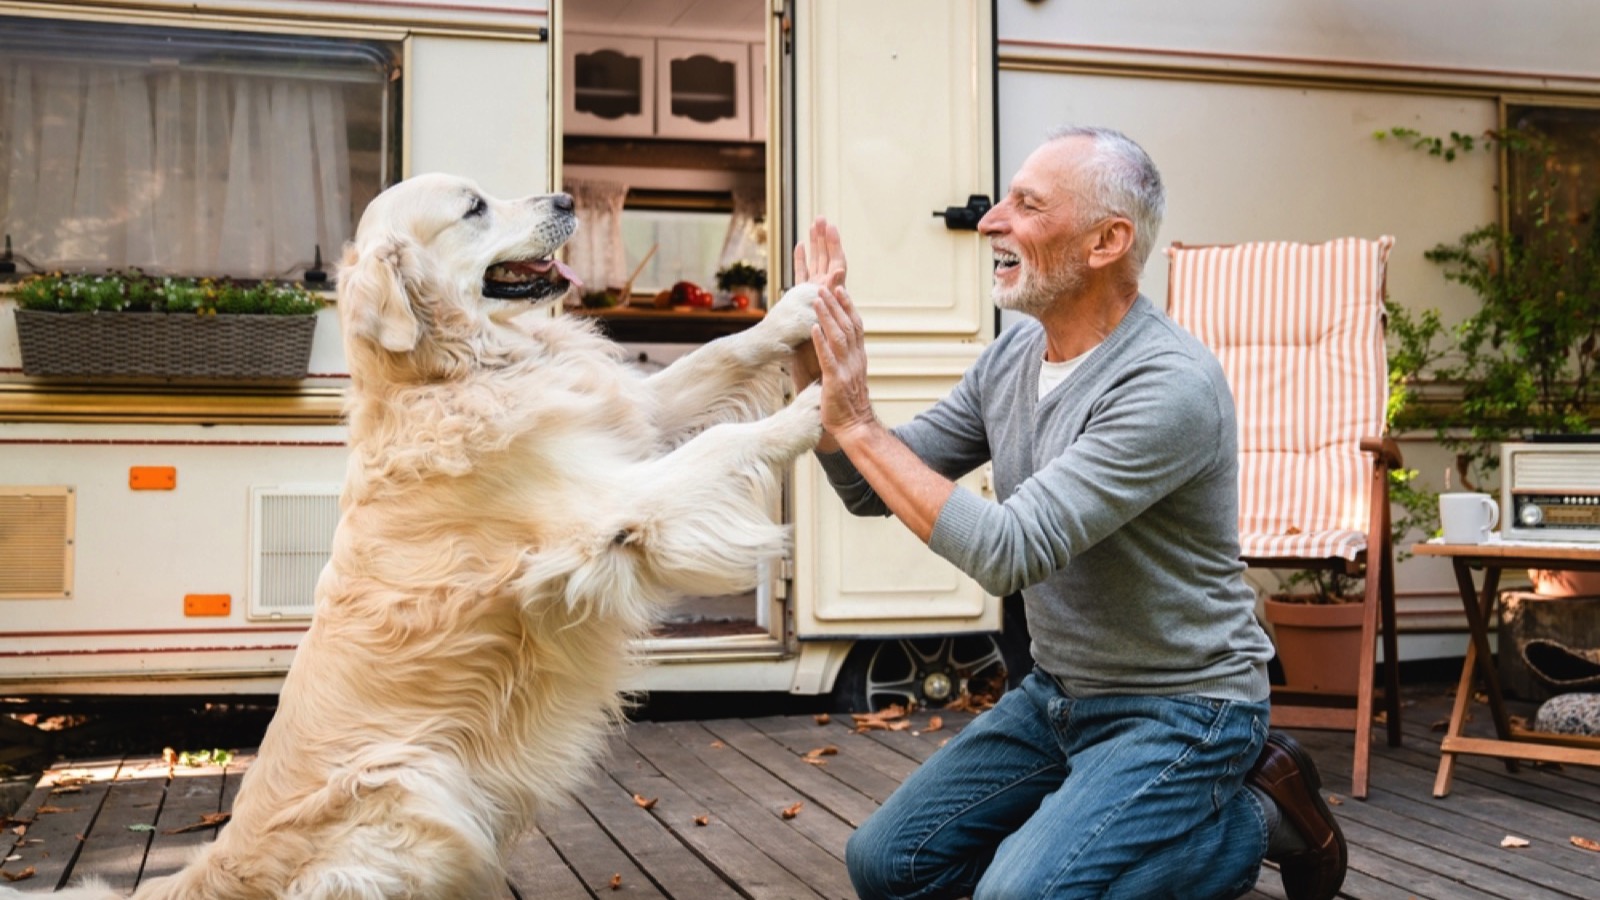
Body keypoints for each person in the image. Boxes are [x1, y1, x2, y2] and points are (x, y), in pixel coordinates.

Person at [791, 126, 1347, 900]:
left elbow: (1007, 550)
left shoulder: (1168, 385)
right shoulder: (1013, 359)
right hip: (1059, 694)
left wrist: (856, 422)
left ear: (1105, 241)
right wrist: (808, 364)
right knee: (887, 864)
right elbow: (866, 485)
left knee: (1019, 896)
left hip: (1187, 709)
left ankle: (1257, 818)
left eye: (1026, 204)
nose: (990, 221)